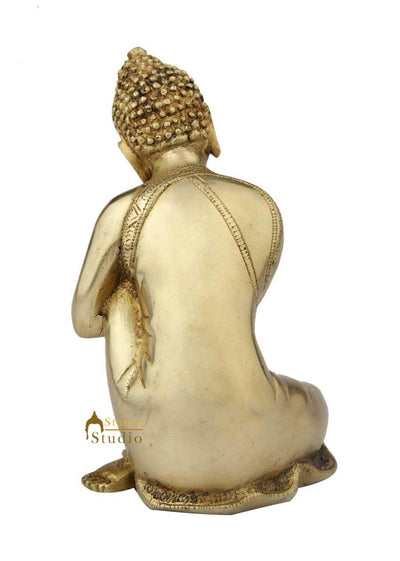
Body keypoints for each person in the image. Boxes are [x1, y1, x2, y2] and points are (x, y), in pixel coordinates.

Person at [72, 48, 336, 514]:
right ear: (209, 127)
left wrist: (134, 302)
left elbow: (84, 322)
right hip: (259, 426)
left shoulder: (122, 212)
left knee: (116, 300)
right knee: (314, 402)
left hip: (161, 443)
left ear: (131, 153)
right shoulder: (261, 205)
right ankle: (246, 450)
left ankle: (139, 451)